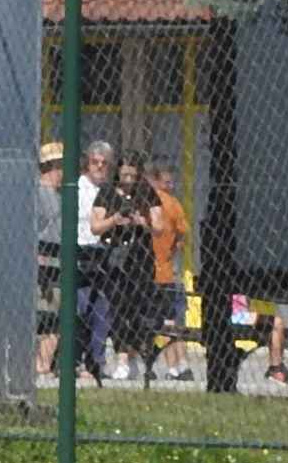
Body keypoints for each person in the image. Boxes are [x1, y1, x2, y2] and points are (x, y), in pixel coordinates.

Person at [97, 154, 155, 382]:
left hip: (140, 260)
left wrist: (142, 221)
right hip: (115, 259)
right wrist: (115, 220)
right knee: (118, 309)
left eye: (133, 175)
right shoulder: (108, 193)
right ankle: (121, 359)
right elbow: (96, 226)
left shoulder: (147, 194)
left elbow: (159, 227)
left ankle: (132, 358)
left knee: (138, 311)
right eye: (124, 174)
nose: (128, 179)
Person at [71, 140, 116, 386]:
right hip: (81, 253)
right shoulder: (78, 187)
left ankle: (96, 361)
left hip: (103, 255)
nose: (99, 167)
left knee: (102, 310)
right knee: (80, 309)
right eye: (94, 162)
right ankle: (76, 362)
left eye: (104, 163)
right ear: (87, 163)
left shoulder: (110, 190)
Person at [146, 161, 195, 381]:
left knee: (160, 323)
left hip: (153, 272)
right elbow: (183, 235)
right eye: (168, 181)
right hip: (169, 271)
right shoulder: (174, 204)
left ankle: (169, 366)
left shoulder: (147, 203)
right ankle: (181, 366)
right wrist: (174, 247)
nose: (171, 185)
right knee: (174, 322)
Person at [34, 142, 66, 382]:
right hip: (42, 264)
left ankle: (44, 364)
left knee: (55, 317)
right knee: (42, 315)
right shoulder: (38, 193)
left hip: (58, 264)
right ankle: (39, 363)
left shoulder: (60, 195)